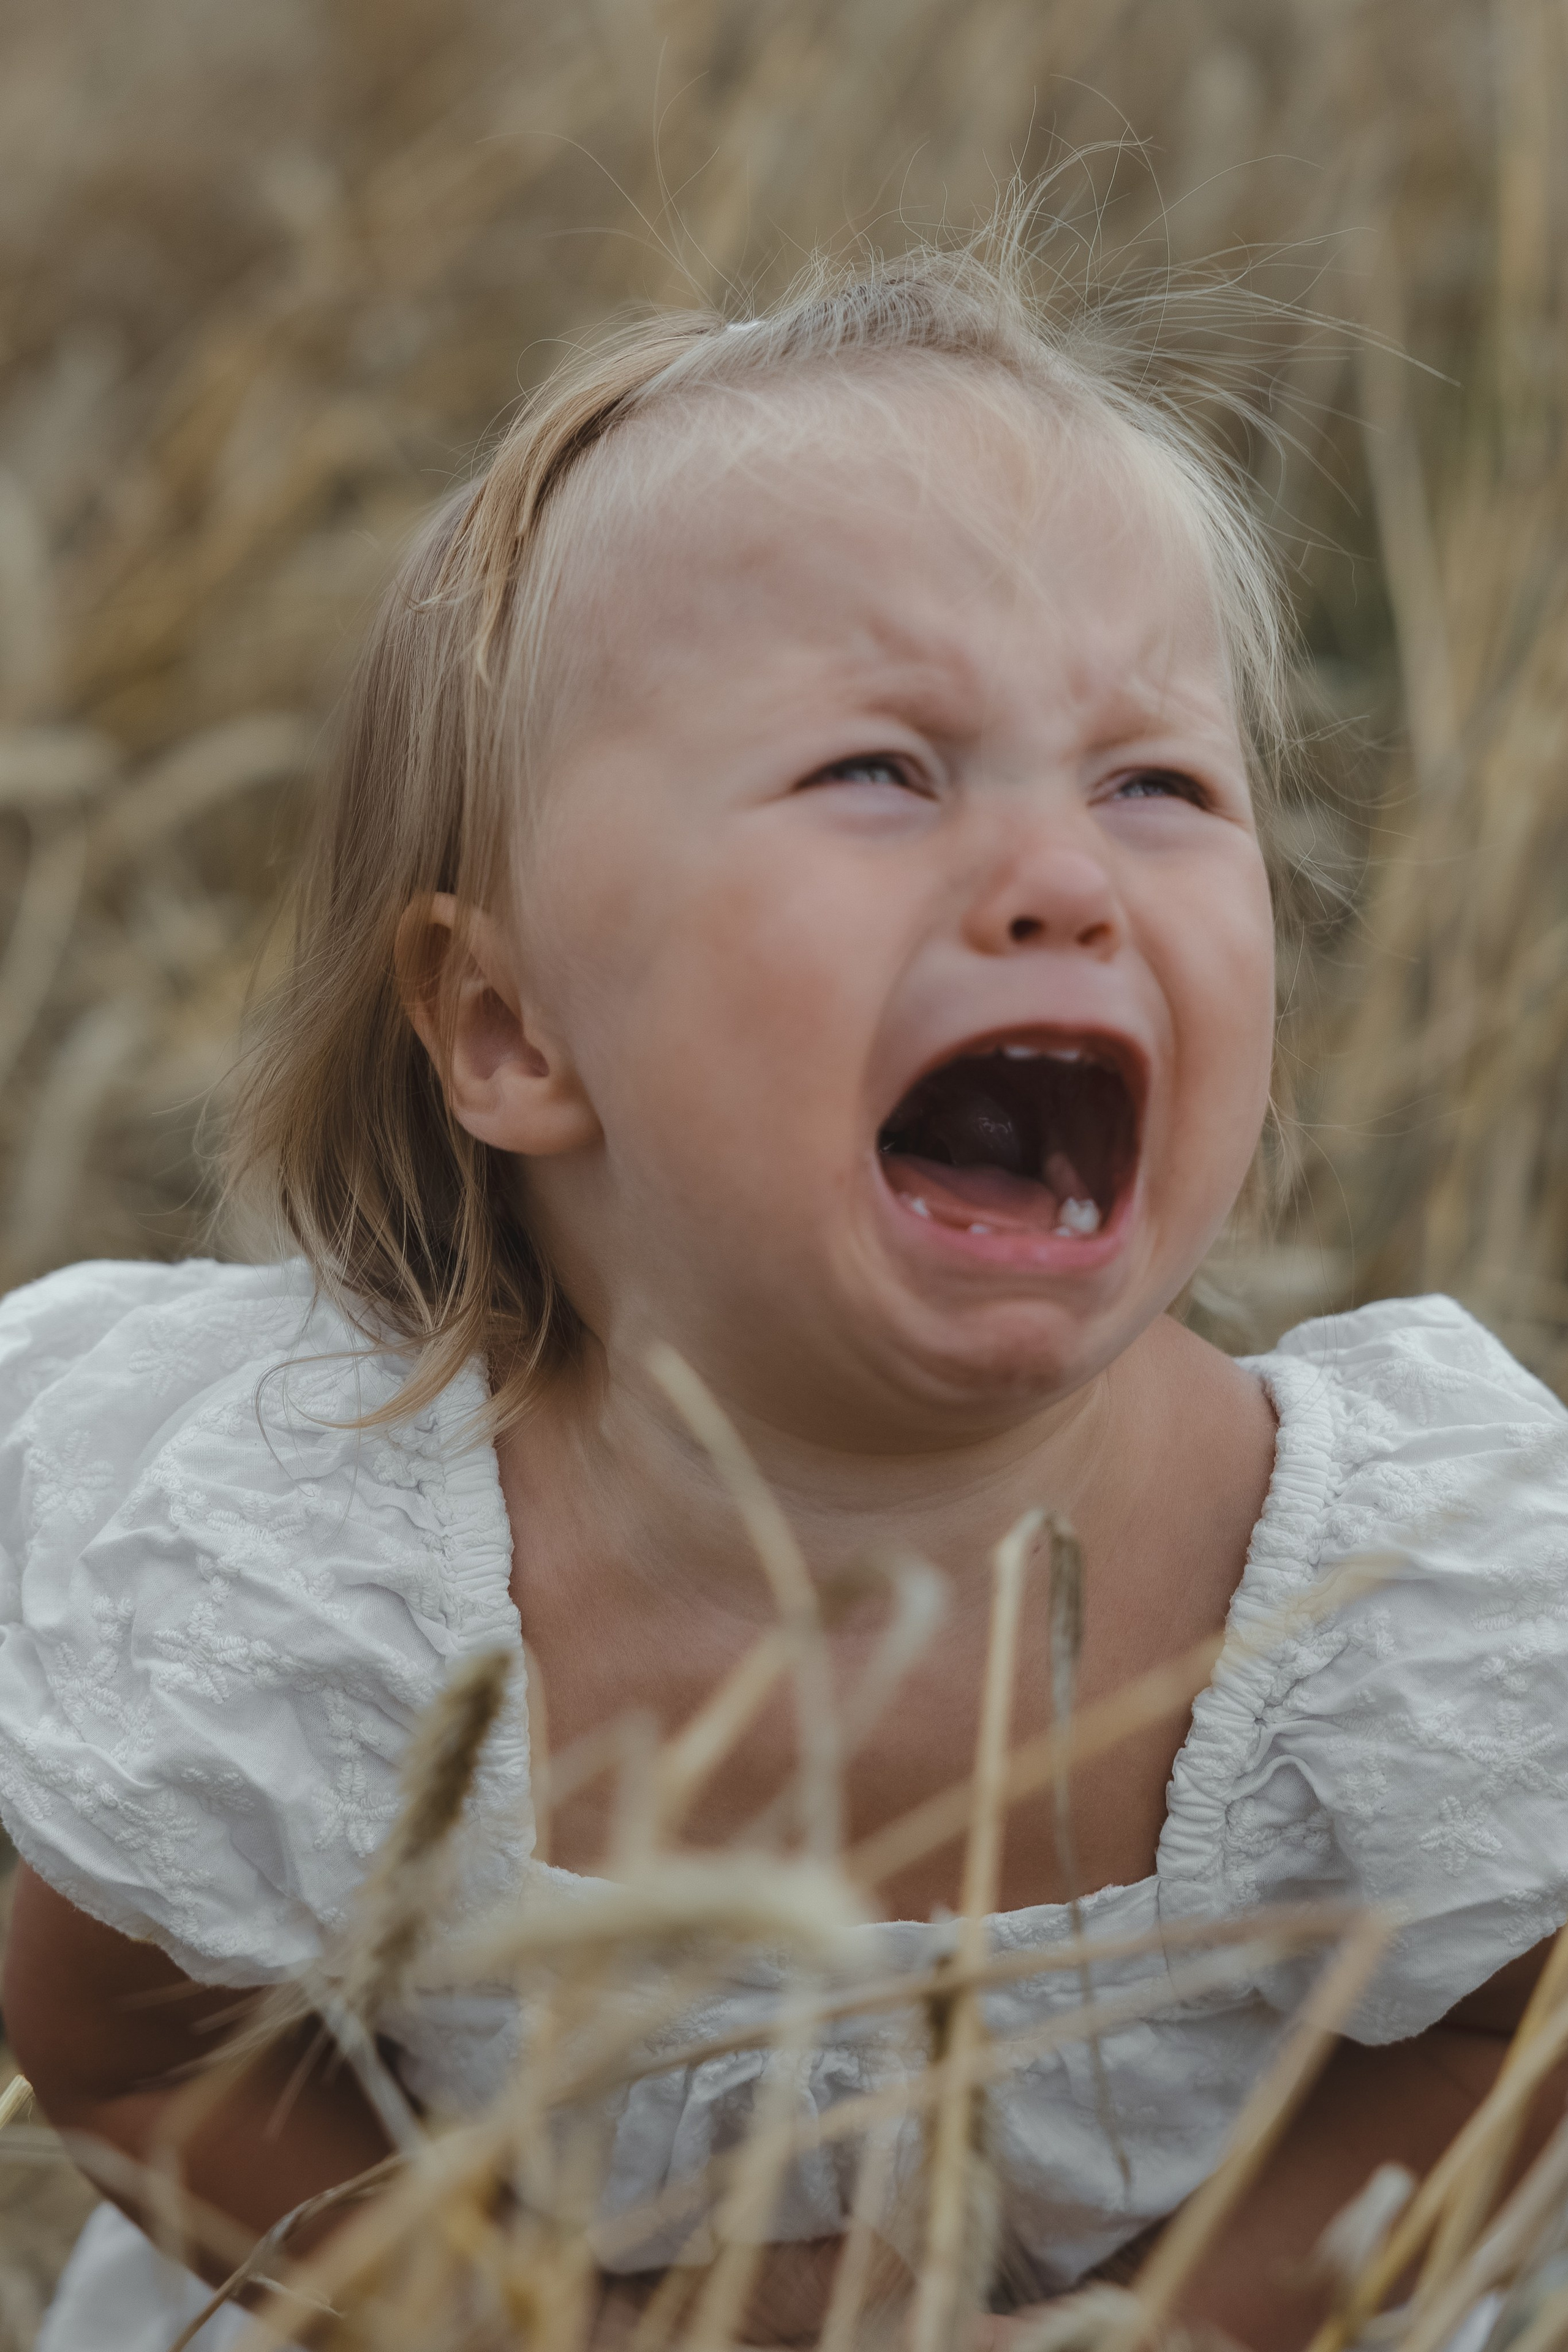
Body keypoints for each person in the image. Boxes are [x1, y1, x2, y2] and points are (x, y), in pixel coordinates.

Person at [1, 230, 1566, 2352]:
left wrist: (1165, 2330)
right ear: (510, 1028)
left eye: (1159, 785)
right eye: (877, 772)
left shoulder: (1389, 1603)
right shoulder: (316, 1574)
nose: (1064, 878)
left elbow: (1513, 2035)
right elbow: (132, 2042)